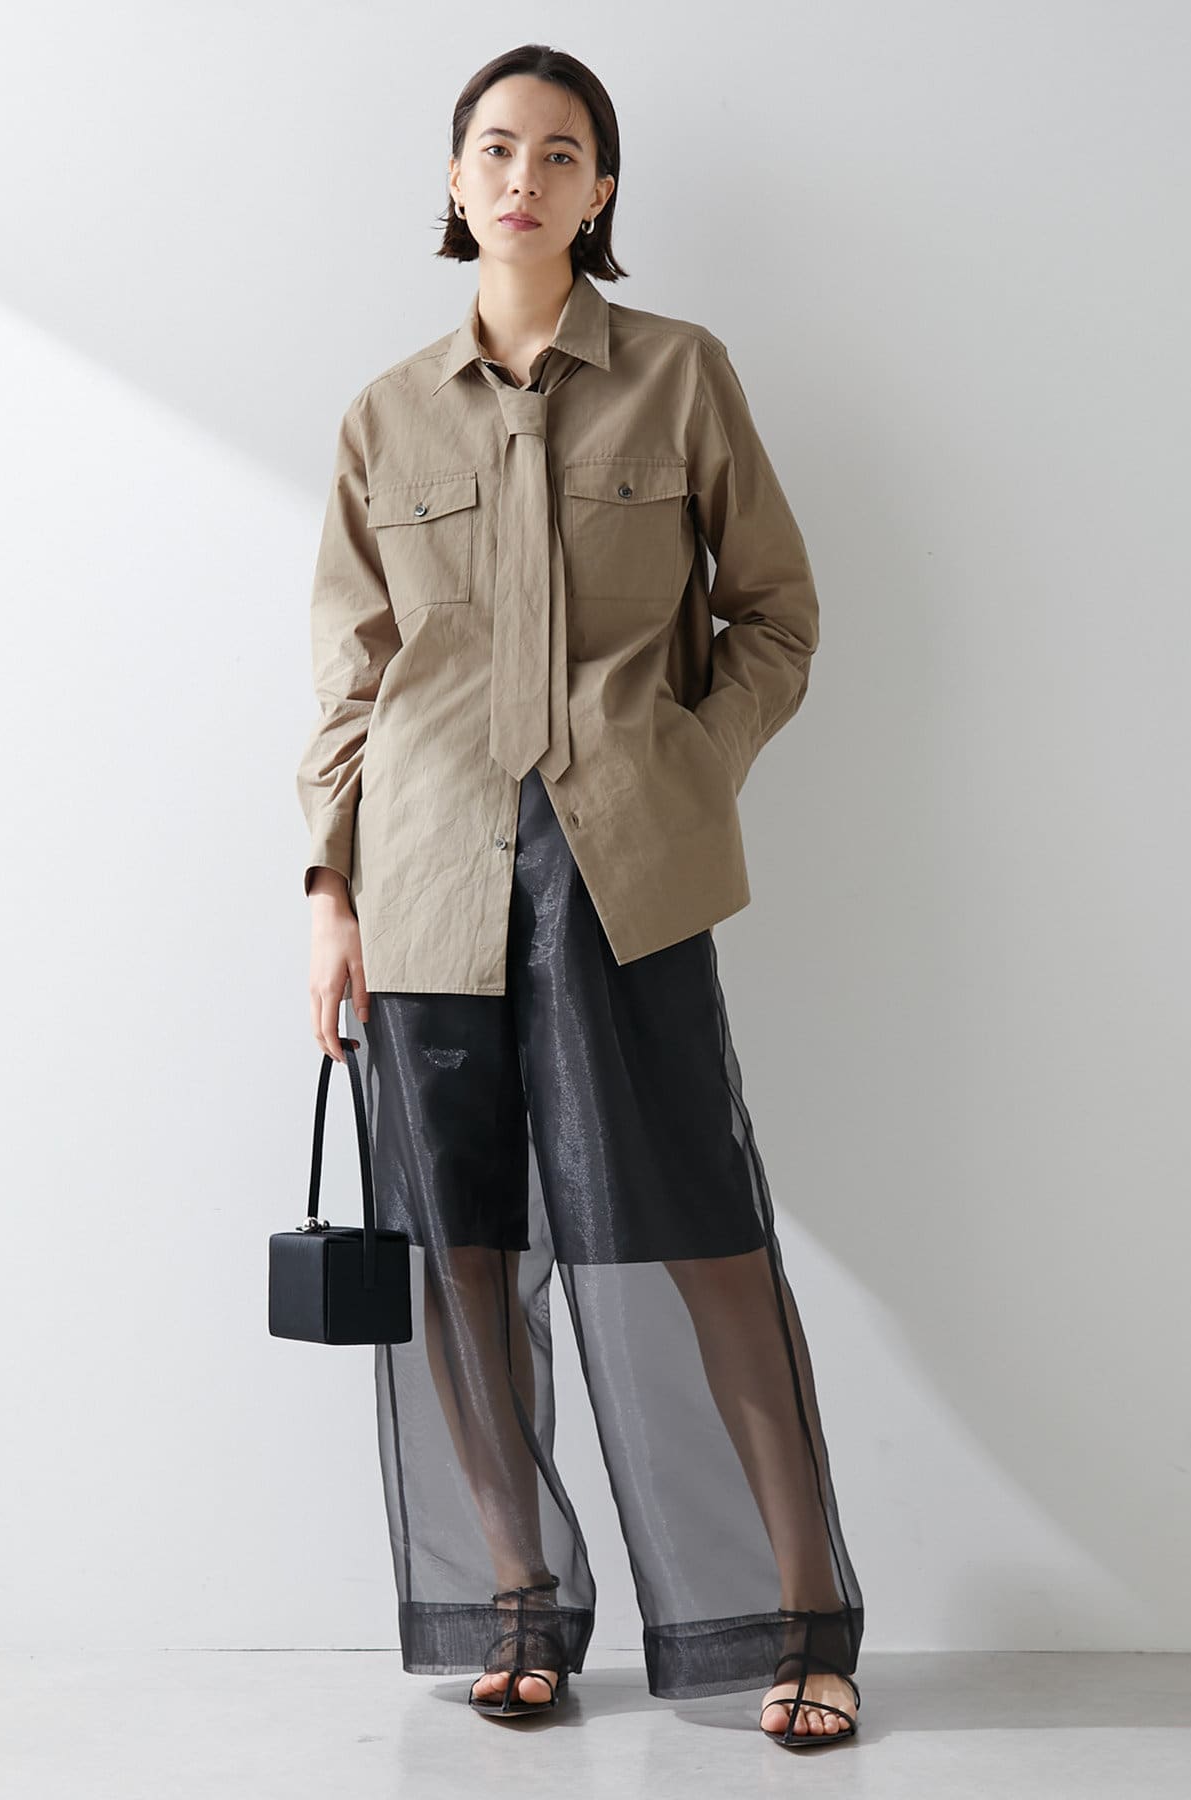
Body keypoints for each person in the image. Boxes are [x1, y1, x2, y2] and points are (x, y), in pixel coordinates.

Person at [296, 43, 864, 1750]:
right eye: (495, 149)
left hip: (626, 874)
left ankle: (799, 1621)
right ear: (454, 181)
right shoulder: (386, 416)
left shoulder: (680, 376)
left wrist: (689, 764)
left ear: (601, 188)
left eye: (560, 152)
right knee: (462, 1256)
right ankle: (518, 1602)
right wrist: (328, 892)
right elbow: (351, 679)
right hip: (427, 879)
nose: (524, 177)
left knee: (700, 1237)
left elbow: (775, 614)